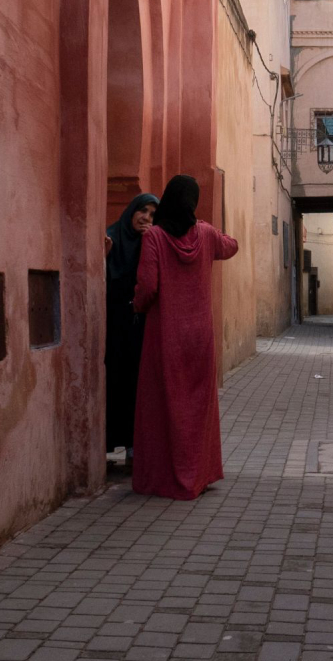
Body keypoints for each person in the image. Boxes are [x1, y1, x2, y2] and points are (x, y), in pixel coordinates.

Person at [132, 175, 238, 499]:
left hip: (165, 335)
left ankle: (167, 477)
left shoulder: (155, 237)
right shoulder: (205, 234)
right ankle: (198, 475)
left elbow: (147, 287)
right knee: (197, 407)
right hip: (201, 336)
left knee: (163, 406)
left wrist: (136, 305)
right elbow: (232, 245)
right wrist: (207, 225)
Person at [104, 193, 159, 465]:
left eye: (152, 215)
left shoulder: (152, 244)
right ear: (132, 210)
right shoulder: (110, 238)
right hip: (112, 324)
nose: (146, 218)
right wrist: (104, 257)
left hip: (139, 326)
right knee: (112, 382)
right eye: (142, 210)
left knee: (136, 384)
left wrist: (151, 243)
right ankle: (104, 446)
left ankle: (133, 447)